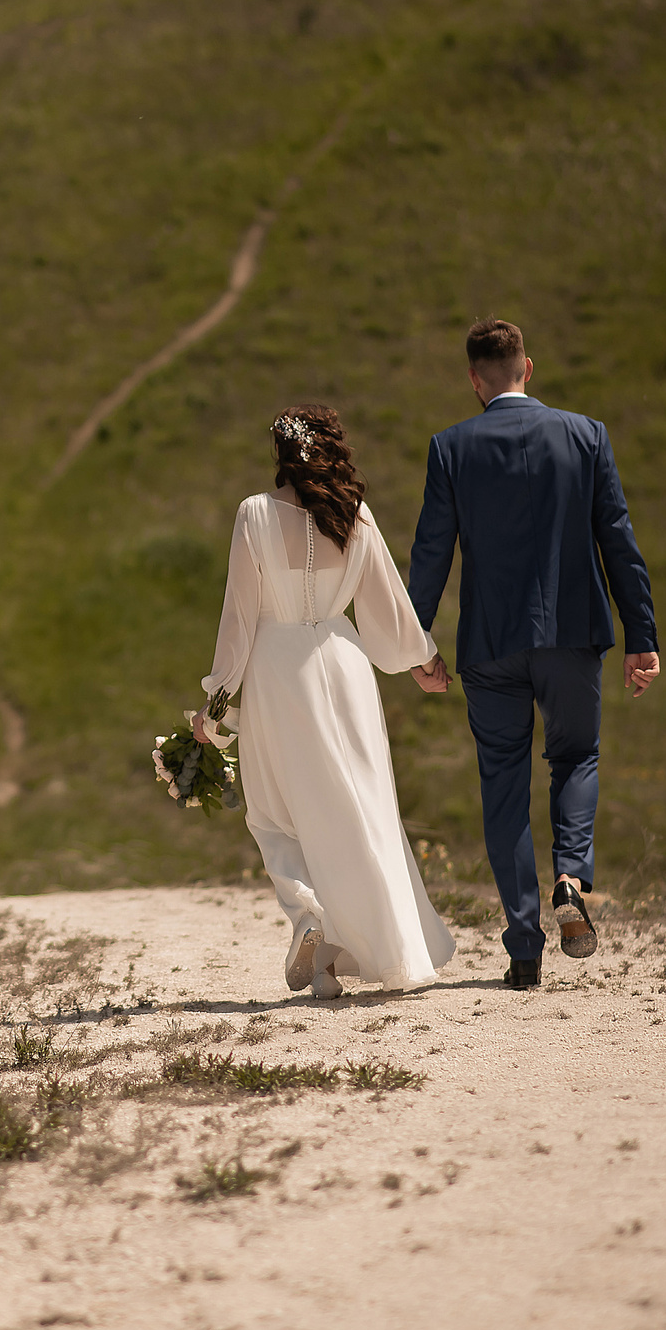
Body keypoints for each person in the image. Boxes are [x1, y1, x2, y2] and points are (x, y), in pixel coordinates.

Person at [406, 319, 659, 992]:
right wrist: (643, 637)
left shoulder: (451, 447)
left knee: (503, 787)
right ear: (528, 368)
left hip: (491, 643)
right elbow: (619, 542)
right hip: (573, 633)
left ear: (474, 378)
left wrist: (416, 642)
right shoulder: (586, 434)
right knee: (576, 756)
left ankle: (524, 945)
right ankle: (571, 878)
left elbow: (432, 551)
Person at [195, 405, 456, 997]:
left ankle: (311, 918)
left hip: (277, 668)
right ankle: (340, 957)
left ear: (280, 455)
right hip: (344, 660)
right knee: (359, 806)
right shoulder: (354, 515)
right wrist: (421, 660)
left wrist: (216, 701)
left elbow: (238, 617)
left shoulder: (254, 514)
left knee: (276, 810)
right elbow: (386, 599)